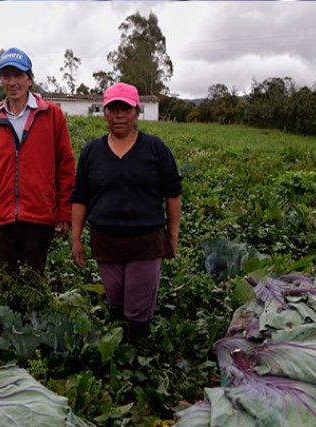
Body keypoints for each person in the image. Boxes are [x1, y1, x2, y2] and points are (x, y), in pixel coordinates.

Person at [71, 82, 182, 345]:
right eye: (113, 109)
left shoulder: (155, 148)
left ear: (136, 112)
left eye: (126, 109)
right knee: (116, 298)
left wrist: (173, 235)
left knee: (137, 305)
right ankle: (118, 348)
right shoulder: (92, 151)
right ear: (105, 113)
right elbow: (80, 197)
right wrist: (76, 239)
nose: (119, 114)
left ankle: (137, 354)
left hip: (146, 240)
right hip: (105, 241)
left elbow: (173, 194)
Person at [0, 47, 76, 281]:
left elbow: (65, 166)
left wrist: (64, 210)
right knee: (6, 282)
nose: (12, 82)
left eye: (18, 75)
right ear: (1, 80)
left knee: (34, 281)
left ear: (29, 79)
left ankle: (33, 319)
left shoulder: (51, 115)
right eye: (6, 76)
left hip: (39, 215)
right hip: (0, 217)